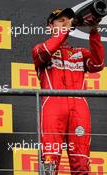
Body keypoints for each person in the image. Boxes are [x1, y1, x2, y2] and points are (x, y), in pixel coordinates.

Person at [32, 8, 105, 175]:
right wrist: (66, 30)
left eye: (68, 20)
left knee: (81, 163)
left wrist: (94, 31)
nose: (66, 23)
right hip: (53, 108)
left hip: (79, 109)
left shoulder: (80, 53)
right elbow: (48, 49)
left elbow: (98, 64)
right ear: (50, 26)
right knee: (49, 162)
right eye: (61, 20)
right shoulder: (40, 50)